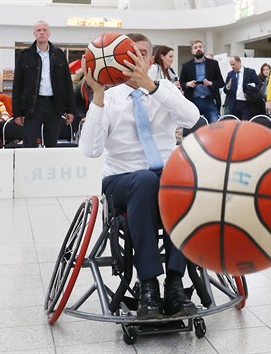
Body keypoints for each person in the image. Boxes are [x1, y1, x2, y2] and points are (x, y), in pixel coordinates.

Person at [79, 33, 200, 319]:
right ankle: (148, 285)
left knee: (178, 180)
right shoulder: (107, 99)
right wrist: (97, 95)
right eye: (129, 52)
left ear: (149, 60)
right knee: (145, 180)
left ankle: (173, 283)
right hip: (122, 181)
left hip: (167, 181)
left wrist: (153, 87)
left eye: (142, 53)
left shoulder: (166, 90)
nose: (135, 58)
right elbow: (90, 150)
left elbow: (192, 118)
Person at [12, 20, 75, 148]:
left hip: (54, 105)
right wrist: (17, 113)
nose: (41, 33)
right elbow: (17, 86)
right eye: (38, 30)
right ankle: (28, 167)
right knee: (29, 143)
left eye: (44, 30)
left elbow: (67, 84)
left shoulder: (59, 55)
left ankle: (49, 167)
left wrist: (71, 110)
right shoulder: (24, 56)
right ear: (34, 34)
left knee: (51, 144)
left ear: (49, 33)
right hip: (33, 106)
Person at [179, 40, 224, 123]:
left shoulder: (213, 64)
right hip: (193, 101)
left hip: (209, 100)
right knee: (192, 127)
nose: (198, 49)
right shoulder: (186, 66)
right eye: (195, 48)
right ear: (192, 51)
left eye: (200, 47)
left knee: (215, 125)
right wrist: (188, 84)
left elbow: (221, 83)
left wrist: (210, 83)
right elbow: (181, 84)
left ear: (204, 49)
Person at [223, 56, 263, 120]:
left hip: (246, 103)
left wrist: (253, 91)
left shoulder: (250, 72)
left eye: (234, 64)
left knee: (245, 124)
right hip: (233, 103)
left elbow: (259, 83)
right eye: (231, 65)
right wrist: (228, 87)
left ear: (239, 62)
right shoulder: (230, 74)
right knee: (234, 124)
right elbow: (225, 90)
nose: (232, 67)